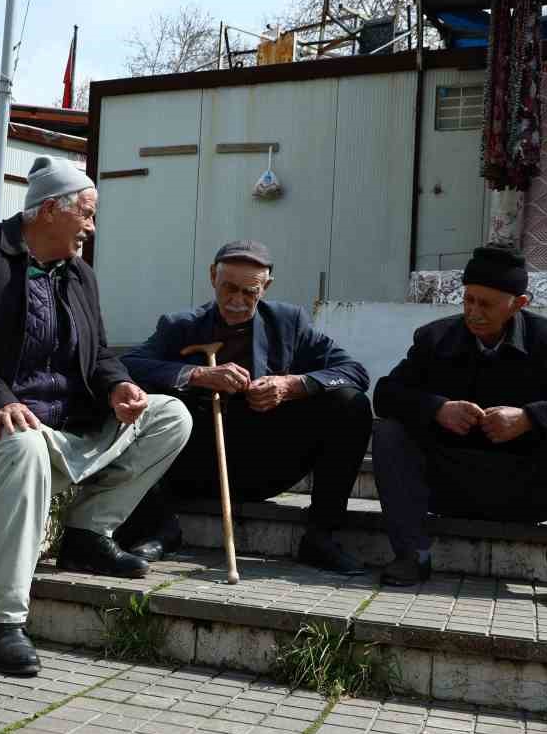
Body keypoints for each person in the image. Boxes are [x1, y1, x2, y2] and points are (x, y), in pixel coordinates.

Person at [0, 156, 191, 678]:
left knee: (169, 415)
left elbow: (100, 352)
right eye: (86, 213)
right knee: (23, 443)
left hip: (63, 428)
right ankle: (2, 624)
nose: (92, 226)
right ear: (48, 211)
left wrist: (119, 386)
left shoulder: (80, 275)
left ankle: (88, 533)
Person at [372, 245, 547, 608]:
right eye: (468, 300)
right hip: (450, 483)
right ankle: (411, 555)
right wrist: (437, 409)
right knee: (389, 431)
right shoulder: (434, 339)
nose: (473, 312)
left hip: (527, 487)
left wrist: (529, 418)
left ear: (518, 303)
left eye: (486, 304)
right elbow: (385, 394)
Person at [119, 240, 373, 574]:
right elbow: (129, 363)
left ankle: (321, 536)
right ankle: (159, 527)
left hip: (267, 461)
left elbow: (355, 372)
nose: (237, 302)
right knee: (136, 394)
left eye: (250, 292)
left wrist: (291, 385)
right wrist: (196, 374)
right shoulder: (180, 326)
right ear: (212, 277)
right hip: (194, 463)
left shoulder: (289, 322)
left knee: (350, 403)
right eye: (229, 289)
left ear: (266, 287)